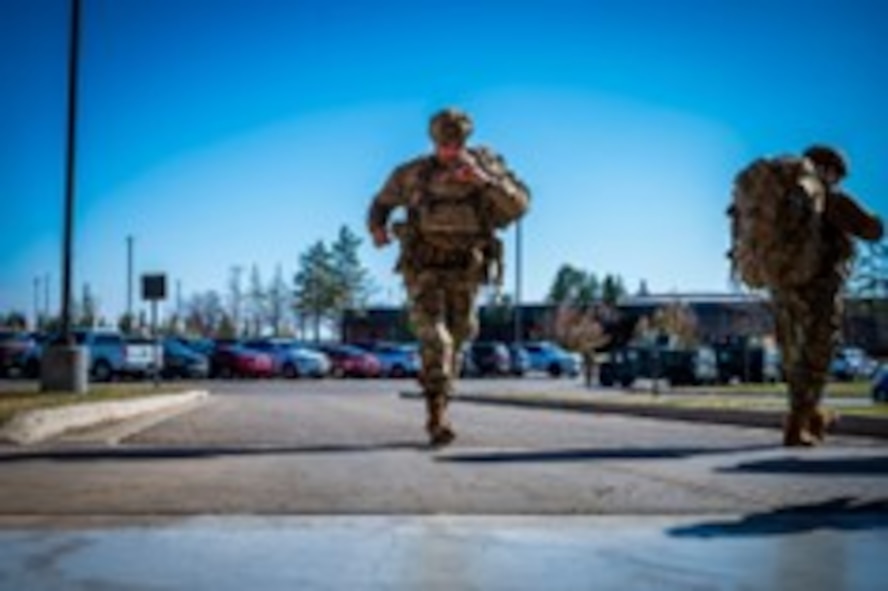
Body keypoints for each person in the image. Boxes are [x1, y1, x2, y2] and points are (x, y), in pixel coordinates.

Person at [367, 108, 529, 446]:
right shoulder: (413, 174)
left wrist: (485, 183)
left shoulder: (486, 168)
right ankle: (436, 417)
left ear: (465, 141)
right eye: (443, 144)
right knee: (435, 338)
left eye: (455, 144)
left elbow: (519, 207)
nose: (449, 151)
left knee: (457, 339)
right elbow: (380, 202)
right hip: (424, 267)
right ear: (434, 141)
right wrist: (377, 229)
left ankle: (441, 401)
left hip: (466, 268)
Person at [751, 145, 883, 446]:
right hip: (820, 293)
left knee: (793, 358)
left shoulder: (784, 201)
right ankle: (798, 425)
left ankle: (810, 417)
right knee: (816, 359)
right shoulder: (831, 201)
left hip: (783, 291)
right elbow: (873, 230)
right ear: (828, 170)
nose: (837, 180)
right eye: (837, 174)